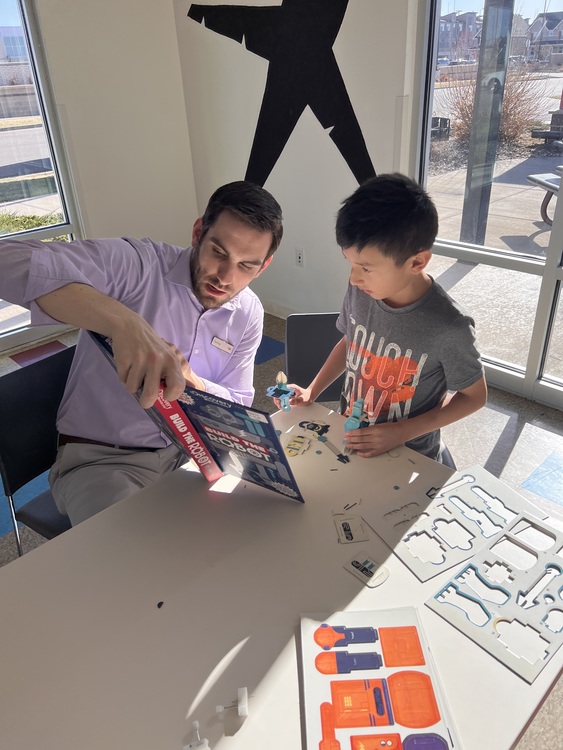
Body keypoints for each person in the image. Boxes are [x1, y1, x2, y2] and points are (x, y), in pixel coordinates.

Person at [0, 180, 283, 524]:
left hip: (190, 452)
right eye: (219, 253)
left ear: (263, 266)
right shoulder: (140, 266)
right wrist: (124, 323)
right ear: (198, 233)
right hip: (105, 461)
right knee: (136, 553)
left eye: (246, 266)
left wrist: (195, 383)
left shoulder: (248, 311)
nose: (225, 277)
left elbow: (238, 402)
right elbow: (7, 260)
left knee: (258, 528)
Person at [289, 173, 487, 463]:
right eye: (350, 263)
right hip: (352, 437)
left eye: (366, 268)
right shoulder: (362, 289)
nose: (353, 278)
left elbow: (474, 397)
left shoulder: (450, 326)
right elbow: (351, 344)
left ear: (417, 262)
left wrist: (401, 432)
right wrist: (312, 390)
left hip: (410, 455)